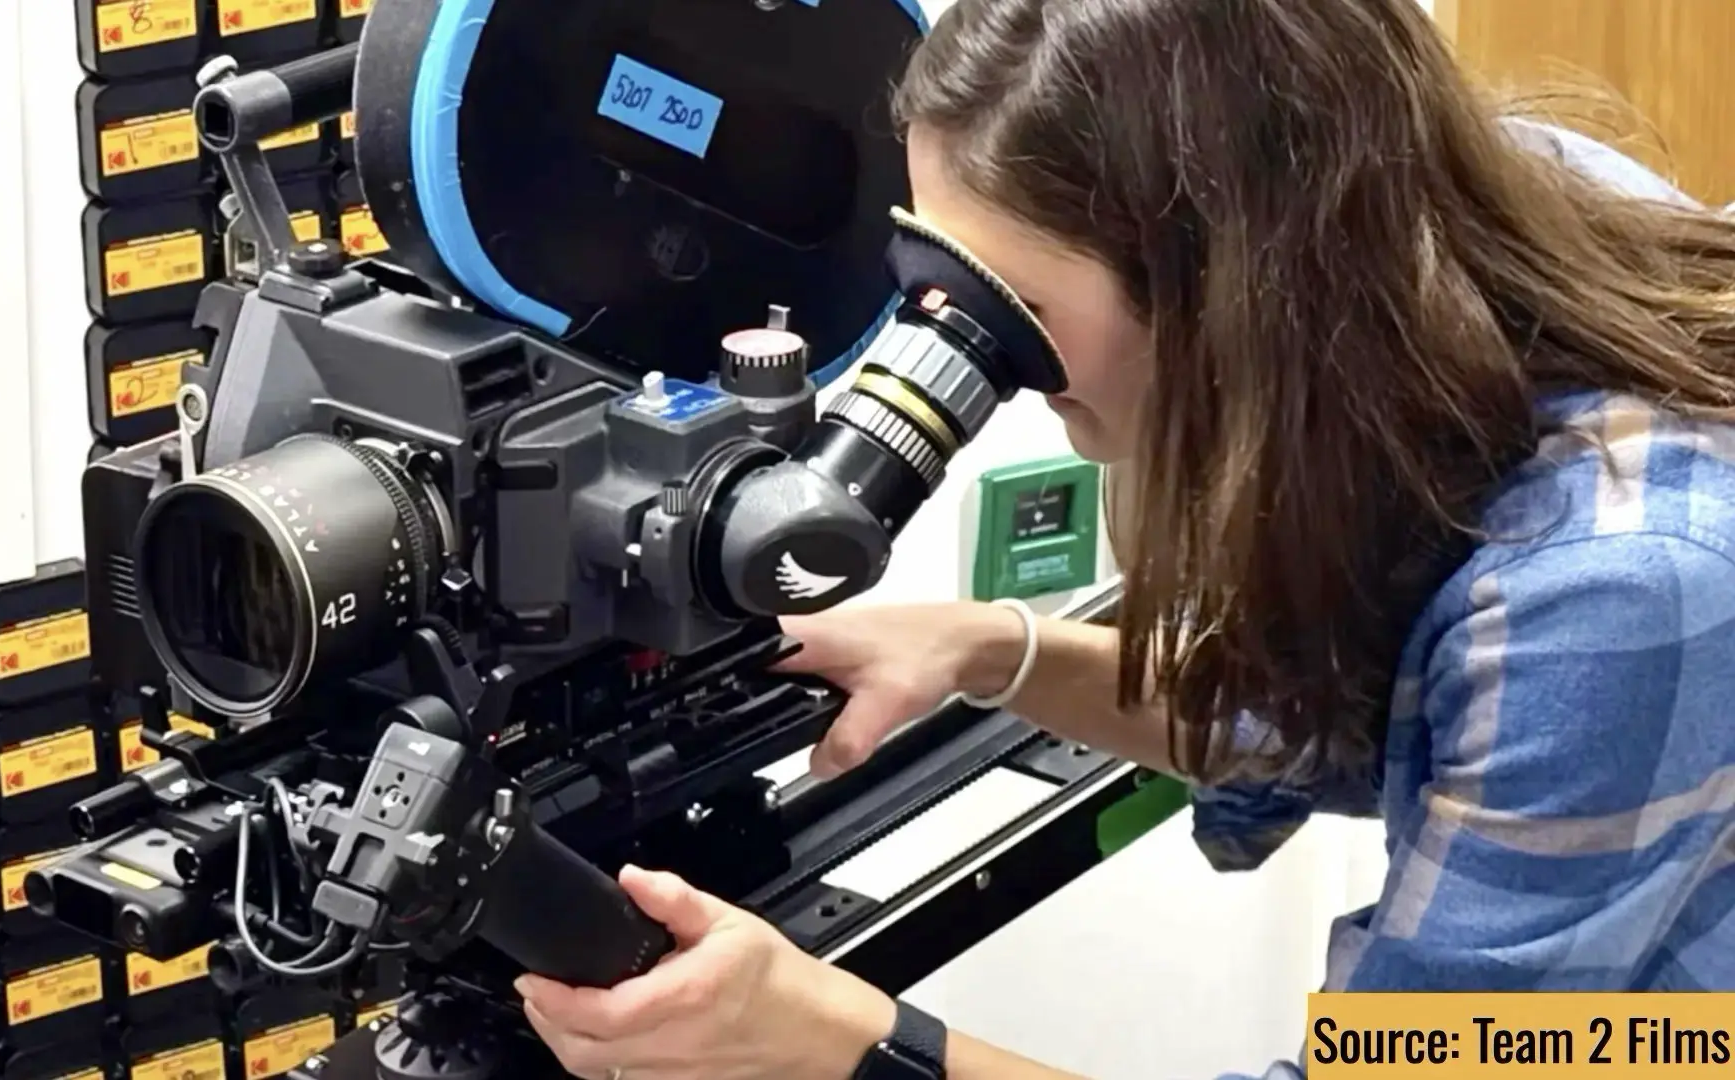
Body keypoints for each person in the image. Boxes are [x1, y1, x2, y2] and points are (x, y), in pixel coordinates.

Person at [515, 0, 1735, 1076]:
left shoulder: (1610, 591)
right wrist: (989, 648)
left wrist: (840, 1040)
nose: (980, 362)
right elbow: (1367, 716)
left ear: (1238, 287)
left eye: (1019, 310)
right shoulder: (1457, 231)